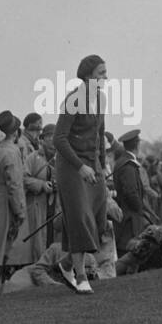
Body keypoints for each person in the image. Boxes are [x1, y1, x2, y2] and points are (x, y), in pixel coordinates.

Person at [53, 54, 110, 293]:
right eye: (101, 74)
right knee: (80, 219)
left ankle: (66, 264)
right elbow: (59, 139)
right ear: (87, 76)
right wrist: (80, 166)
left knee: (97, 219)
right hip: (71, 167)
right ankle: (80, 275)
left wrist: (103, 165)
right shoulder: (74, 99)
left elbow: (100, 133)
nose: (105, 78)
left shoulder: (101, 98)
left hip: (93, 164)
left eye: (105, 73)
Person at [0, 115, 26, 286]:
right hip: (4, 202)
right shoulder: (11, 151)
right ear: (14, 131)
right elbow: (14, 184)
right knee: (1, 245)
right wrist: (20, 210)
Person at [8, 121, 54, 268]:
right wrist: (41, 185)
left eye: (55, 137)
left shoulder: (64, 158)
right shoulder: (33, 158)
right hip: (38, 204)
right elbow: (24, 178)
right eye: (49, 137)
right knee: (39, 238)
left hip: (57, 205)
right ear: (43, 139)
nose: (53, 141)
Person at [113, 129, 156, 248]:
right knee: (129, 250)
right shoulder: (128, 164)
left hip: (127, 213)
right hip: (130, 217)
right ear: (137, 145)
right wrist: (139, 209)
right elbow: (130, 192)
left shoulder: (123, 161)